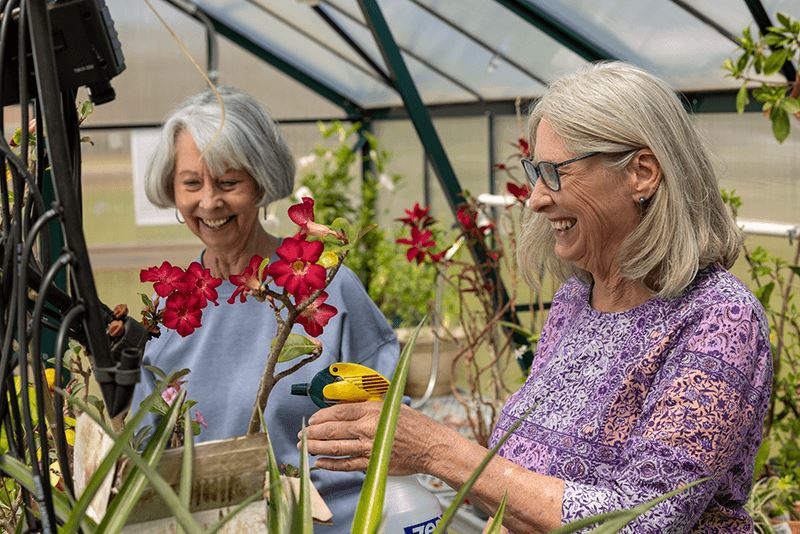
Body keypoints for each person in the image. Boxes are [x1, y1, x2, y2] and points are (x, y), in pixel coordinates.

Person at [305, 62, 772, 533]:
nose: (535, 199)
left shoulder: (718, 318)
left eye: (554, 172)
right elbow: (524, 477)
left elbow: (643, 519)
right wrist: (416, 452)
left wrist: (439, 450)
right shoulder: (576, 302)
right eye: (535, 172)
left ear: (642, 173)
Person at [130, 87, 400, 533]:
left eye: (229, 183)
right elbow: (146, 443)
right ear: (172, 189)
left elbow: (390, 421)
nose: (210, 202)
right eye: (192, 183)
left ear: (261, 183)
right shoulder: (169, 309)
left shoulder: (323, 286)